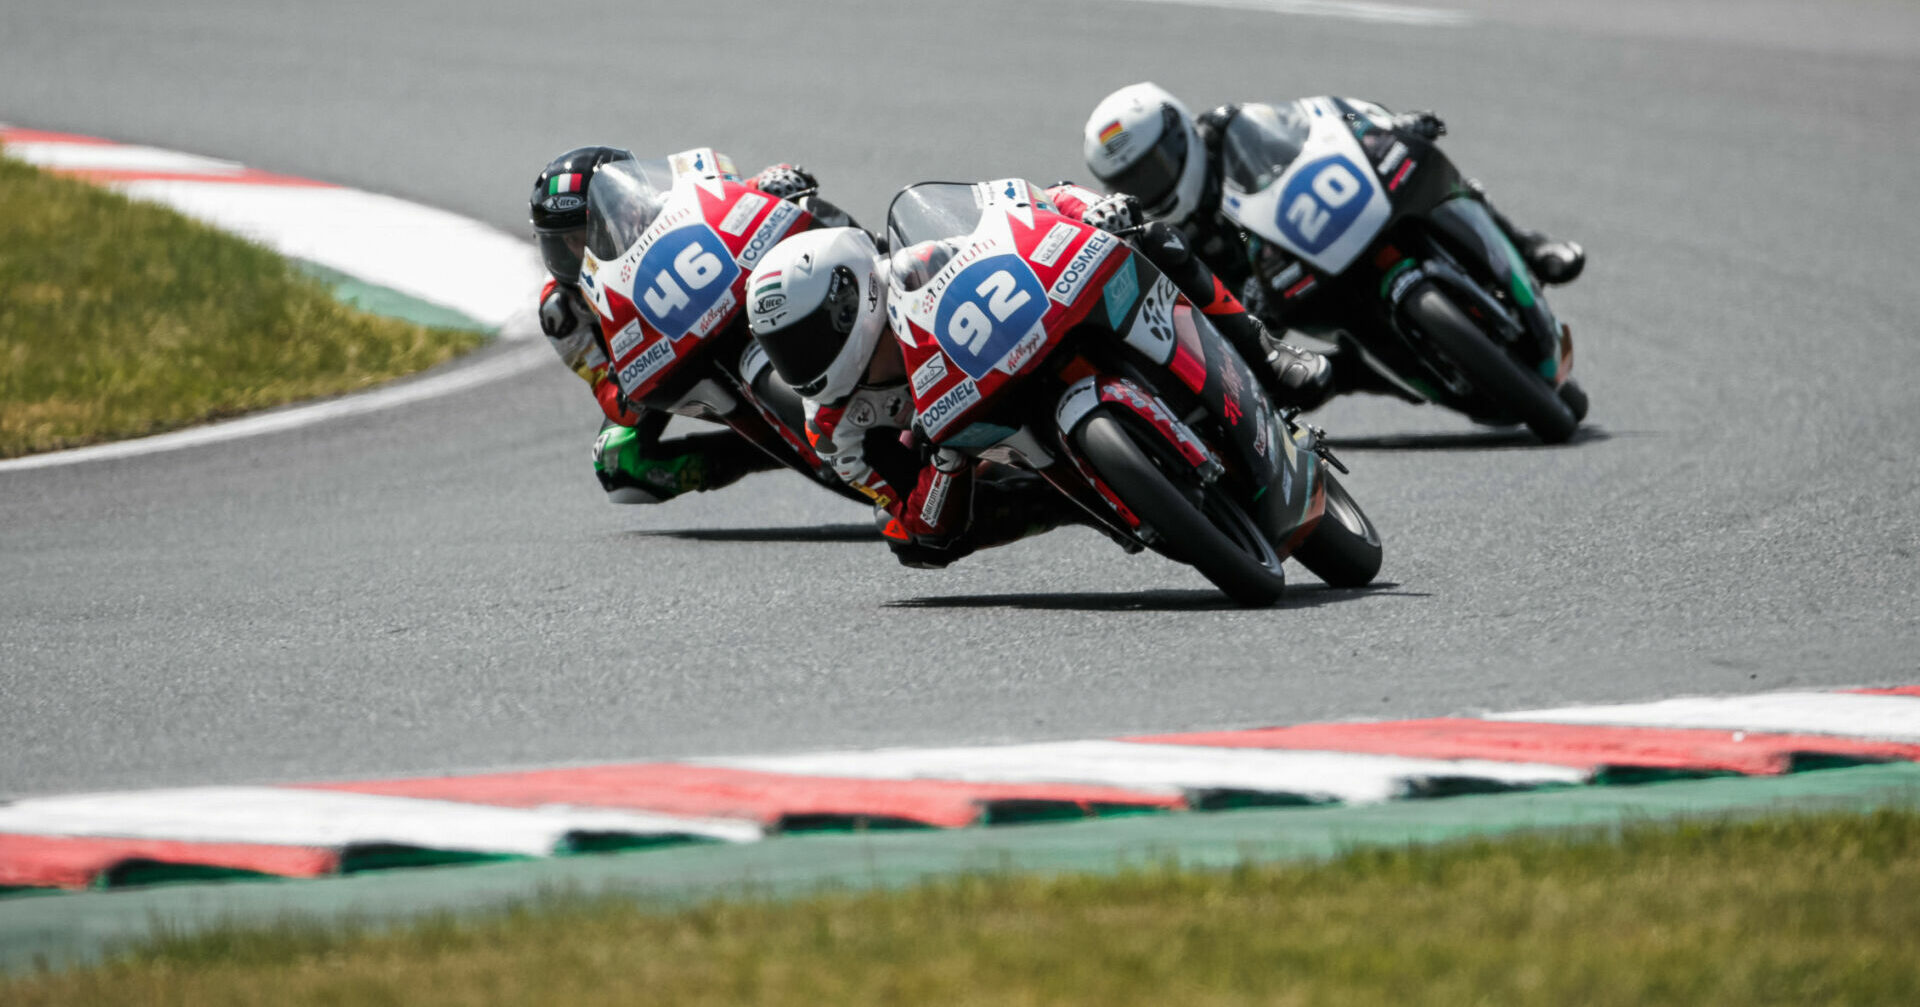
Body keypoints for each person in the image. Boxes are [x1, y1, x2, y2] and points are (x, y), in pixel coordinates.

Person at [1080, 82, 1585, 399]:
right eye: (1137, 181)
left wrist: (1385, 125)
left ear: (1180, 136)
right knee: (1323, 376)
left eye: (1157, 167)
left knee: (1431, 177)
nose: (1155, 185)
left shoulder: (1230, 129)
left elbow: (1323, 120)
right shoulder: (1169, 234)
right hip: (1292, 295)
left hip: (1334, 216)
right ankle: (1386, 374)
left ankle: (1528, 244)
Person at [528, 145, 841, 503]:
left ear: (624, 204)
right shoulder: (562, 313)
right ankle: (771, 448)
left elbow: (721, 193)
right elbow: (605, 389)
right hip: (652, 362)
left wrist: (766, 184)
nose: (579, 251)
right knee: (619, 463)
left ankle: (889, 278)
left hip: (716, 287)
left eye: (587, 233)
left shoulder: (663, 201)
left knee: (804, 208)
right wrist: (623, 386)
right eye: (565, 243)